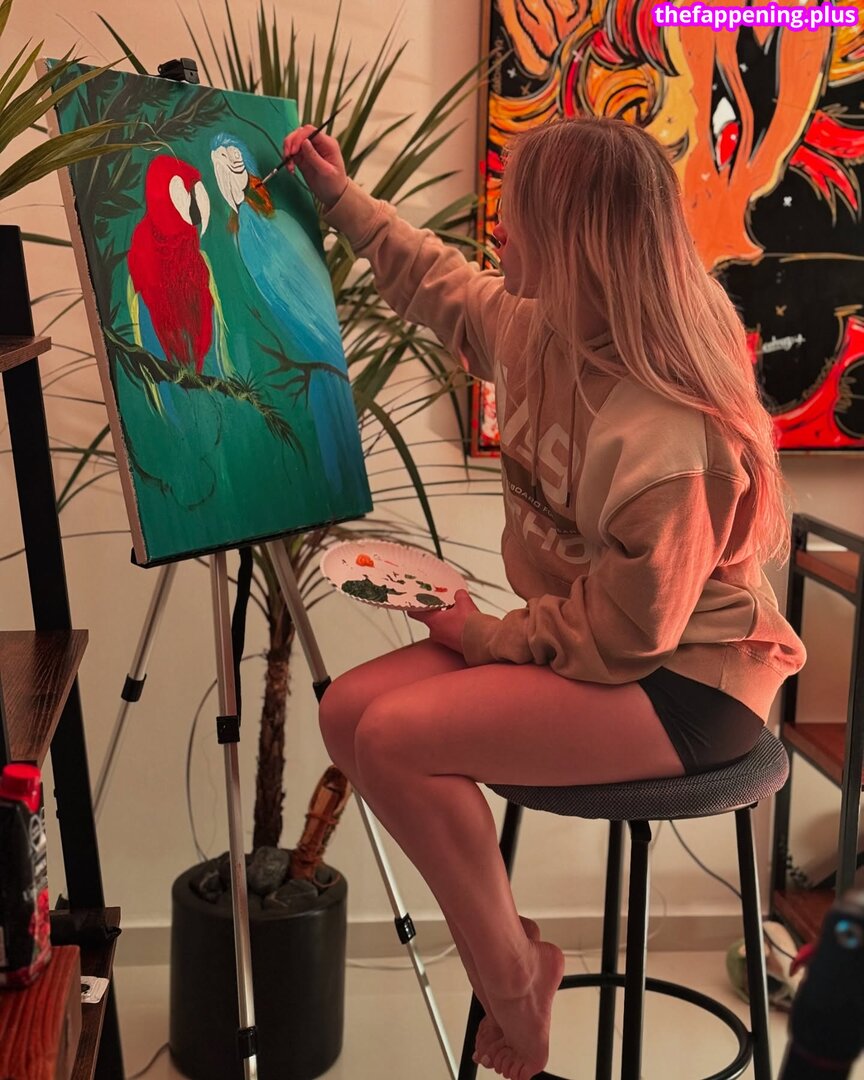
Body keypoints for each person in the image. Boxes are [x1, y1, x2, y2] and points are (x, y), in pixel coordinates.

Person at [281, 116, 806, 1080]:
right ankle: (513, 948)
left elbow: (626, 636)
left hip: (687, 684)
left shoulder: (668, 432)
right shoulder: (540, 328)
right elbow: (437, 284)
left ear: (573, 245)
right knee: (348, 711)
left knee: (393, 740)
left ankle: (514, 980)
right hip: (598, 642)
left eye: (516, 216)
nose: (500, 233)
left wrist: (481, 634)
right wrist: (340, 199)